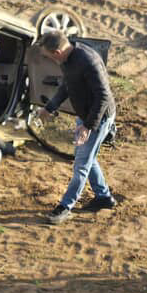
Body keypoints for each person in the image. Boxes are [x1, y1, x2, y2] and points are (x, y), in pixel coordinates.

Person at [36, 30, 117, 224]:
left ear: (57, 52)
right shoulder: (67, 59)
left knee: (81, 164)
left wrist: (88, 126)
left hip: (98, 117)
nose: (51, 61)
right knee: (87, 158)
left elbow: (103, 97)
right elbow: (67, 86)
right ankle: (104, 197)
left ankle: (65, 206)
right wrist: (49, 107)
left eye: (49, 57)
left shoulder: (88, 61)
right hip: (85, 116)